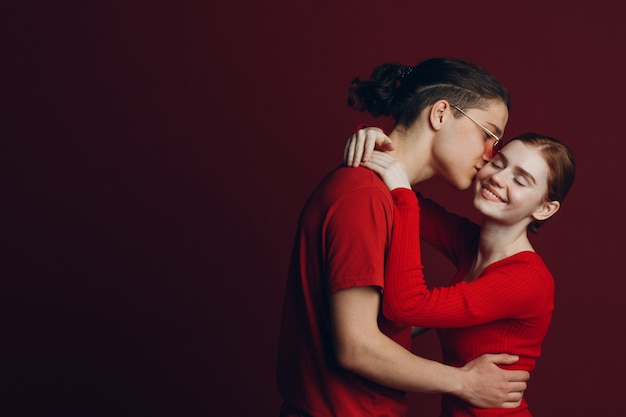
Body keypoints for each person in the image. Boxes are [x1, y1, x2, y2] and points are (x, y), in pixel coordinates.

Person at [276, 57, 530, 417]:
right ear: (441, 114)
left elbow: (373, 326)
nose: (490, 156)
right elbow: (356, 346)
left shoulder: (386, 195)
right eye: (488, 134)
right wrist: (465, 382)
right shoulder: (364, 197)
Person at [345, 131, 575, 416]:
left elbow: (406, 305)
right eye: (499, 163)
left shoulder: (526, 279)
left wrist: (403, 194)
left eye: (520, 180)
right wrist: (371, 139)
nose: (498, 178)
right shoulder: (473, 244)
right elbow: (398, 194)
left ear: (544, 208)